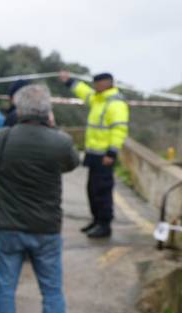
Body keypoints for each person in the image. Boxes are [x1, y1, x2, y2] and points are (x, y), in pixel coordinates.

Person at [0, 85, 79, 313]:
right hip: (47, 229)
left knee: (5, 289)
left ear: (19, 108)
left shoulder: (3, 138)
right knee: (52, 292)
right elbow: (72, 164)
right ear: (47, 111)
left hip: (9, 227)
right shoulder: (60, 142)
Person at [60, 70, 129, 239]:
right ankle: (96, 220)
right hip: (93, 154)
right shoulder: (99, 99)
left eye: (97, 83)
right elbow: (83, 91)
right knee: (92, 189)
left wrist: (111, 153)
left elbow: (119, 130)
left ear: (106, 83)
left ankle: (104, 224)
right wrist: (69, 81)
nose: (95, 86)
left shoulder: (116, 104)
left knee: (102, 190)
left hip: (104, 156)